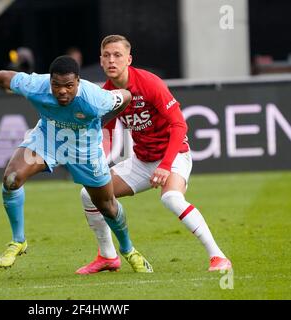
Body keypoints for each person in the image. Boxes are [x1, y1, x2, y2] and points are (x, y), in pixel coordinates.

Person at [0, 55, 152, 273]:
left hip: (84, 150)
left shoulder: (96, 99)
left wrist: (102, 122)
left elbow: (125, 96)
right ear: (50, 82)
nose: (62, 91)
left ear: (78, 81)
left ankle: (128, 250)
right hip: (47, 139)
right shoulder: (36, 85)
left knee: (107, 205)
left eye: (68, 85)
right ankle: (18, 240)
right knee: (12, 179)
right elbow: (2, 77)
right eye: (56, 85)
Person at [76, 35, 232, 274]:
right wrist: (94, 162)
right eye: (106, 55)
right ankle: (108, 257)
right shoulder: (106, 93)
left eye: (117, 55)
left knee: (171, 198)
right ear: (100, 61)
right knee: (89, 194)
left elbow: (179, 125)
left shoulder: (150, 83)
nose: (111, 60)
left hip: (174, 154)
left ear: (129, 59)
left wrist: (166, 165)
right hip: (142, 160)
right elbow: (104, 131)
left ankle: (218, 257)